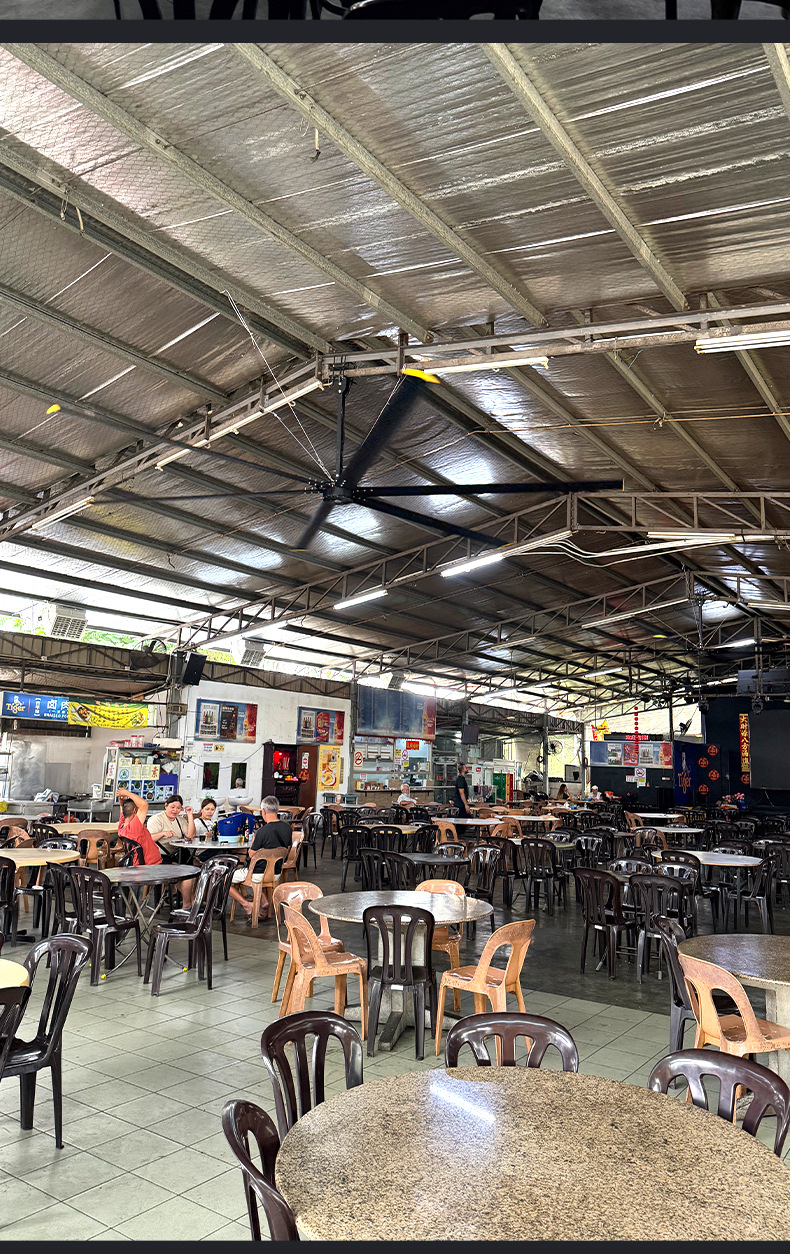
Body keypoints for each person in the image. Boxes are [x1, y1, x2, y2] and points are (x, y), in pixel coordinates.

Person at [228, 795, 292, 921]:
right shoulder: (287, 827)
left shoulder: (262, 831)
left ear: (263, 811)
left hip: (257, 874)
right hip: (275, 873)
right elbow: (287, 848)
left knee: (222, 878)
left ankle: (246, 905)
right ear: (277, 810)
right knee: (260, 870)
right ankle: (263, 901)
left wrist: (253, 843)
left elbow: (251, 855)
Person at [146, 793, 198, 907]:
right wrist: (162, 833)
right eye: (172, 807)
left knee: (188, 871)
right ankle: (189, 902)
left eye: (178, 808)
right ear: (166, 806)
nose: (175, 810)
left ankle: (187, 902)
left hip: (177, 854)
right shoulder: (156, 819)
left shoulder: (180, 820)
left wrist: (190, 816)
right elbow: (148, 838)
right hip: (159, 856)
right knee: (184, 874)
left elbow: (190, 835)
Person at [116, 788, 162, 865]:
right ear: (135, 811)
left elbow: (123, 811)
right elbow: (144, 804)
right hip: (151, 865)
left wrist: (122, 803)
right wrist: (127, 793)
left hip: (136, 864)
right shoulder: (134, 827)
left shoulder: (122, 826)